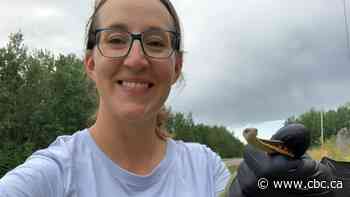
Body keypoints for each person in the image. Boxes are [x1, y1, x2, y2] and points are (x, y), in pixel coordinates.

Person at [0, 0, 231, 196]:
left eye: (155, 43)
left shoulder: (206, 168)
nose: (135, 60)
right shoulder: (52, 176)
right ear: (91, 63)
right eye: (116, 40)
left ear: (177, 67)